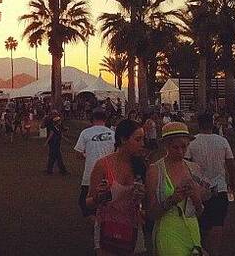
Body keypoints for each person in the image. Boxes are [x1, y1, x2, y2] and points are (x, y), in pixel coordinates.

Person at [86, 119, 146, 255]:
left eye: (143, 139)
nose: (143, 144)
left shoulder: (141, 165)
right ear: (123, 139)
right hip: (108, 229)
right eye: (138, 140)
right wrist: (98, 197)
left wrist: (143, 198)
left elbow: (147, 203)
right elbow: (88, 203)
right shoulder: (103, 165)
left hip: (133, 227)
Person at [146, 122, 207, 256]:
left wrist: (196, 197)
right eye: (175, 147)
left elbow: (200, 211)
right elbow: (150, 213)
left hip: (192, 230)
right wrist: (172, 200)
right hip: (168, 231)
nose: (180, 151)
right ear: (165, 146)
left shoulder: (194, 168)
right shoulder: (155, 170)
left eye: (184, 147)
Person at [186, 113, 235, 256]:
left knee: (200, 223)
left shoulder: (192, 142)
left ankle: (200, 249)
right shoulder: (222, 141)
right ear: (212, 123)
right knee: (217, 223)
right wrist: (232, 184)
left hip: (198, 189)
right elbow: (231, 165)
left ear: (198, 124)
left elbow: (186, 164)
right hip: (220, 187)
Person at [74, 108, 115, 216]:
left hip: (90, 174)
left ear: (92, 119)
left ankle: (95, 221)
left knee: (85, 201)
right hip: (109, 174)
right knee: (107, 199)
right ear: (105, 119)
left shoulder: (86, 133)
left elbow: (78, 153)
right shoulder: (113, 134)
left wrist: (87, 156)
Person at [45, 110, 68, 175]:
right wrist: (46, 142)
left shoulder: (56, 127)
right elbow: (51, 135)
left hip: (56, 144)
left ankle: (51, 170)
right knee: (56, 157)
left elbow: (60, 135)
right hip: (54, 144)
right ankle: (60, 170)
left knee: (54, 157)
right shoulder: (53, 127)